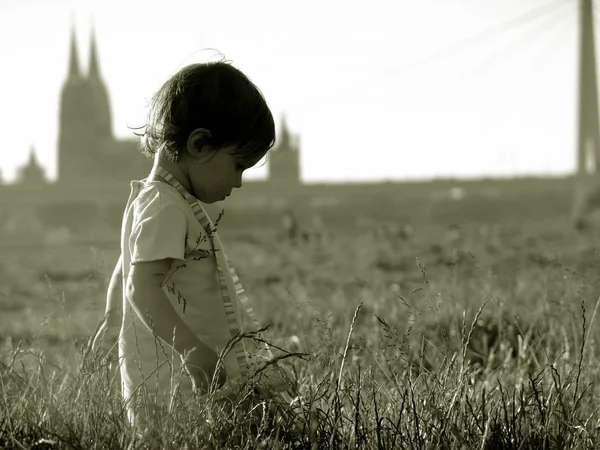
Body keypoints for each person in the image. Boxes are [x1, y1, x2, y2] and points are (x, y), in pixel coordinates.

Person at [91, 60, 294, 428]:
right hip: (178, 381)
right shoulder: (166, 207)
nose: (239, 182)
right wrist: (190, 349)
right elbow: (142, 286)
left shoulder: (155, 200)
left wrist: (110, 321)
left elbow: (127, 268)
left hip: (175, 375)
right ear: (199, 144)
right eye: (237, 166)